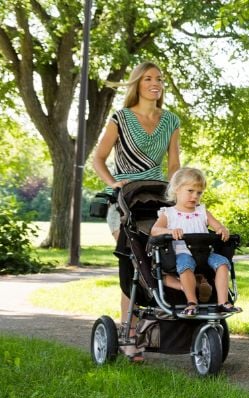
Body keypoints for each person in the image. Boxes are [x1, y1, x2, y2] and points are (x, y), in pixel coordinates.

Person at [91, 61, 182, 362]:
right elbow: (99, 160)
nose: (155, 83)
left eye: (159, 78)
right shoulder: (121, 118)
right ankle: (129, 331)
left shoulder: (171, 120)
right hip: (125, 203)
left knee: (161, 260)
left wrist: (179, 196)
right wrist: (116, 184)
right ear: (136, 84)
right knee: (134, 259)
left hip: (157, 201)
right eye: (148, 79)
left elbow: (173, 166)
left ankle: (151, 321)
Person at [150, 168, 241, 317]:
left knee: (223, 263)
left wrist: (222, 229)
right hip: (182, 254)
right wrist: (169, 231)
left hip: (205, 255)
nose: (195, 196)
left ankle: (223, 302)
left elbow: (217, 226)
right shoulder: (169, 213)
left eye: (199, 193)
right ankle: (192, 302)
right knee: (185, 265)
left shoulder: (202, 212)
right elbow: (155, 230)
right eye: (190, 191)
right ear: (177, 189)